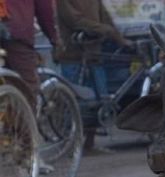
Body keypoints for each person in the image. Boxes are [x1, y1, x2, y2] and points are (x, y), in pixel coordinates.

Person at [55, 0, 131, 150]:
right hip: (72, 54)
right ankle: (70, 144)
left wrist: (121, 40)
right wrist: (105, 30)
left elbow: (106, 17)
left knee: (99, 101)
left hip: (94, 53)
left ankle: (90, 143)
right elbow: (75, 20)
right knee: (74, 102)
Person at [3, 0, 58, 106]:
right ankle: (26, 121)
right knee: (26, 89)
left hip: (11, 31)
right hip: (15, 33)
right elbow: (45, 10)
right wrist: (54, 37)